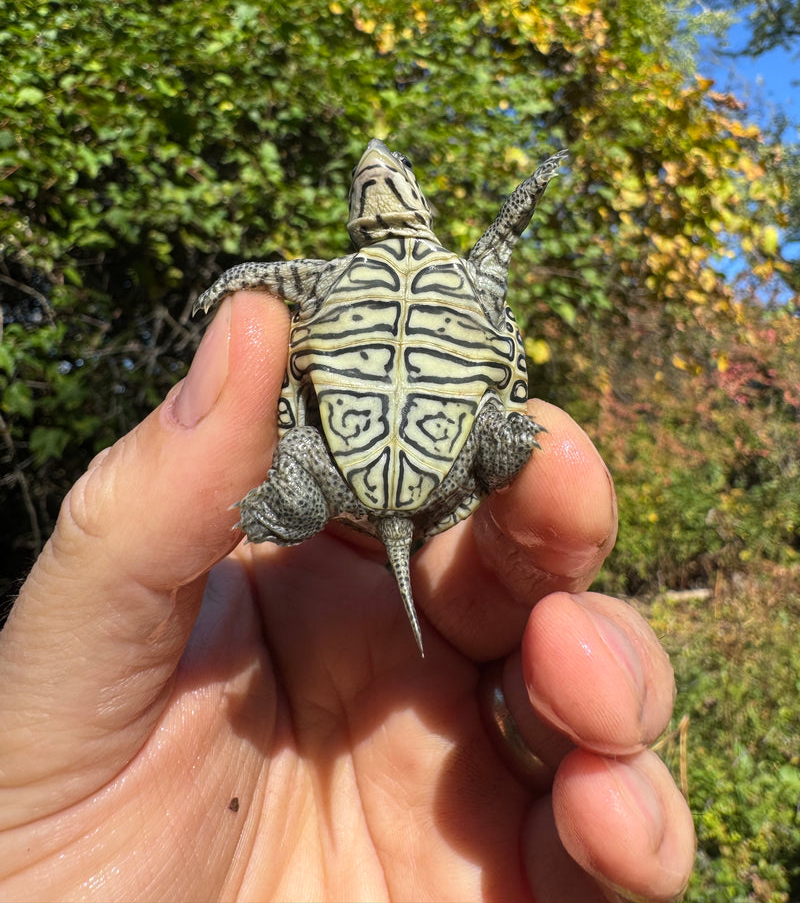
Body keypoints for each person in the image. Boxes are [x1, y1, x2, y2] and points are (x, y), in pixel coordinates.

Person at [0, 292, 694, 902]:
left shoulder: (345, 288)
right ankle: (463, 450)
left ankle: (443, 457)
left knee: (348, 464)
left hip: (350, 457)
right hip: (406, 460)